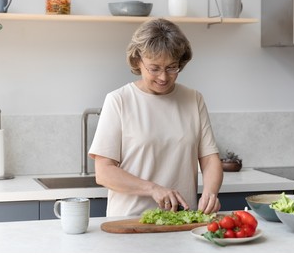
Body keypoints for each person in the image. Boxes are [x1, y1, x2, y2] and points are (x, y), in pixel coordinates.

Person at [88, 18, 223, 217]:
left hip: (182, 220)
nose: (163, 77)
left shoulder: (193, 99)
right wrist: (153, 189)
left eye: (172, 67)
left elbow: (210, 159)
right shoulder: (119, 100)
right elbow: (104, 172)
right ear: (137, 61)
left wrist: (210, 193)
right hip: (131, 221)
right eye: (155, 68)